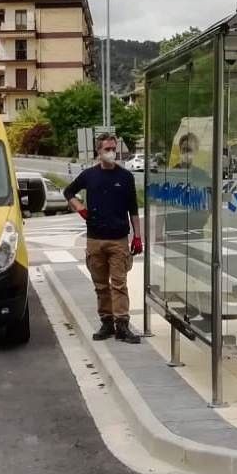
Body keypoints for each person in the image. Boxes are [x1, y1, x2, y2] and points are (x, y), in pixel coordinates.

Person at [64, 133, 143, 344]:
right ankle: (106, 322)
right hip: (95, 239)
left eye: (113, 148)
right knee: (100, 285)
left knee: (119, 284)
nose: (111, 152)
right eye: (107, 149)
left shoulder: (126, 177)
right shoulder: (89, 175)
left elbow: (133, 209)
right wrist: (80, 208)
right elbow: (68, 191)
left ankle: (122, 325)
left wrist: (137, 236)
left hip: (118, 239)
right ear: (98, 152)